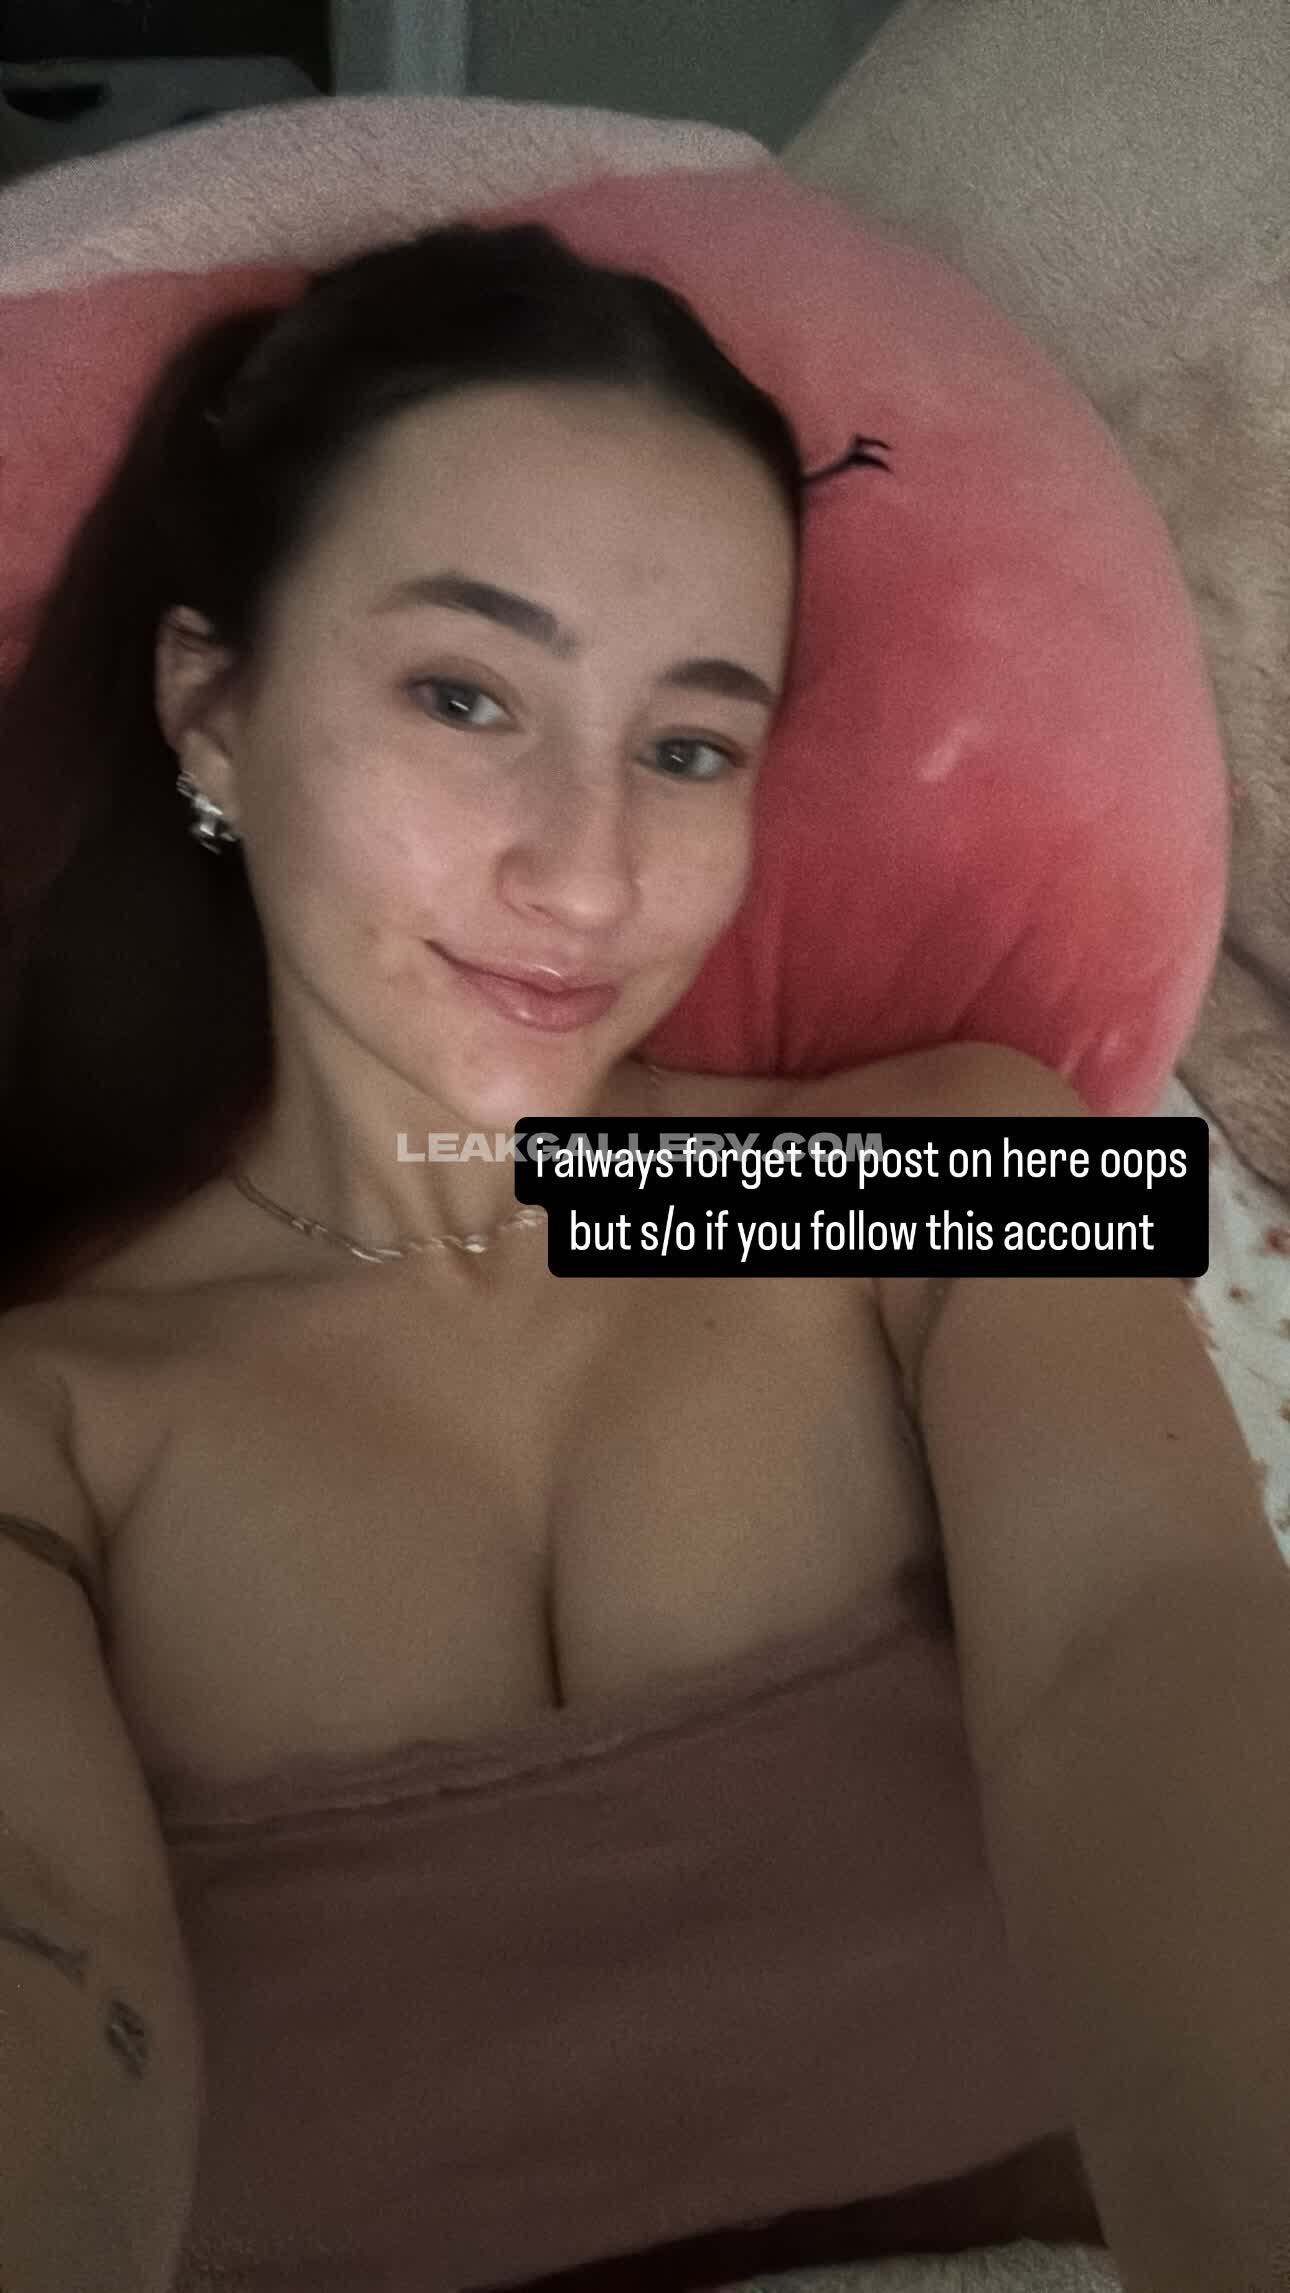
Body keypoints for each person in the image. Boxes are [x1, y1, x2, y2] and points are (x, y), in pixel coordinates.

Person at [0, 219, 1286, 2293]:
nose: (587, 874)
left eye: (689, 746)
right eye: (464, 694)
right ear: (210, 709)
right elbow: (45, 1956)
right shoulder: (50, 1413)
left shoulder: (949, 1153)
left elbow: (1153, 1643)